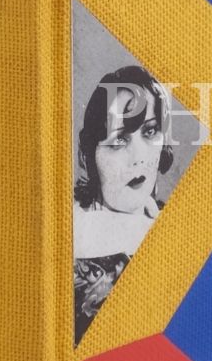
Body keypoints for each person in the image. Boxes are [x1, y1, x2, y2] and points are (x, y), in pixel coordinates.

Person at [72, 66, 174, 343]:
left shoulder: (174, 224)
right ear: (88, 155)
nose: (139, 157)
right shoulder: (67, 238)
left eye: (150, 132)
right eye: (118, 140)